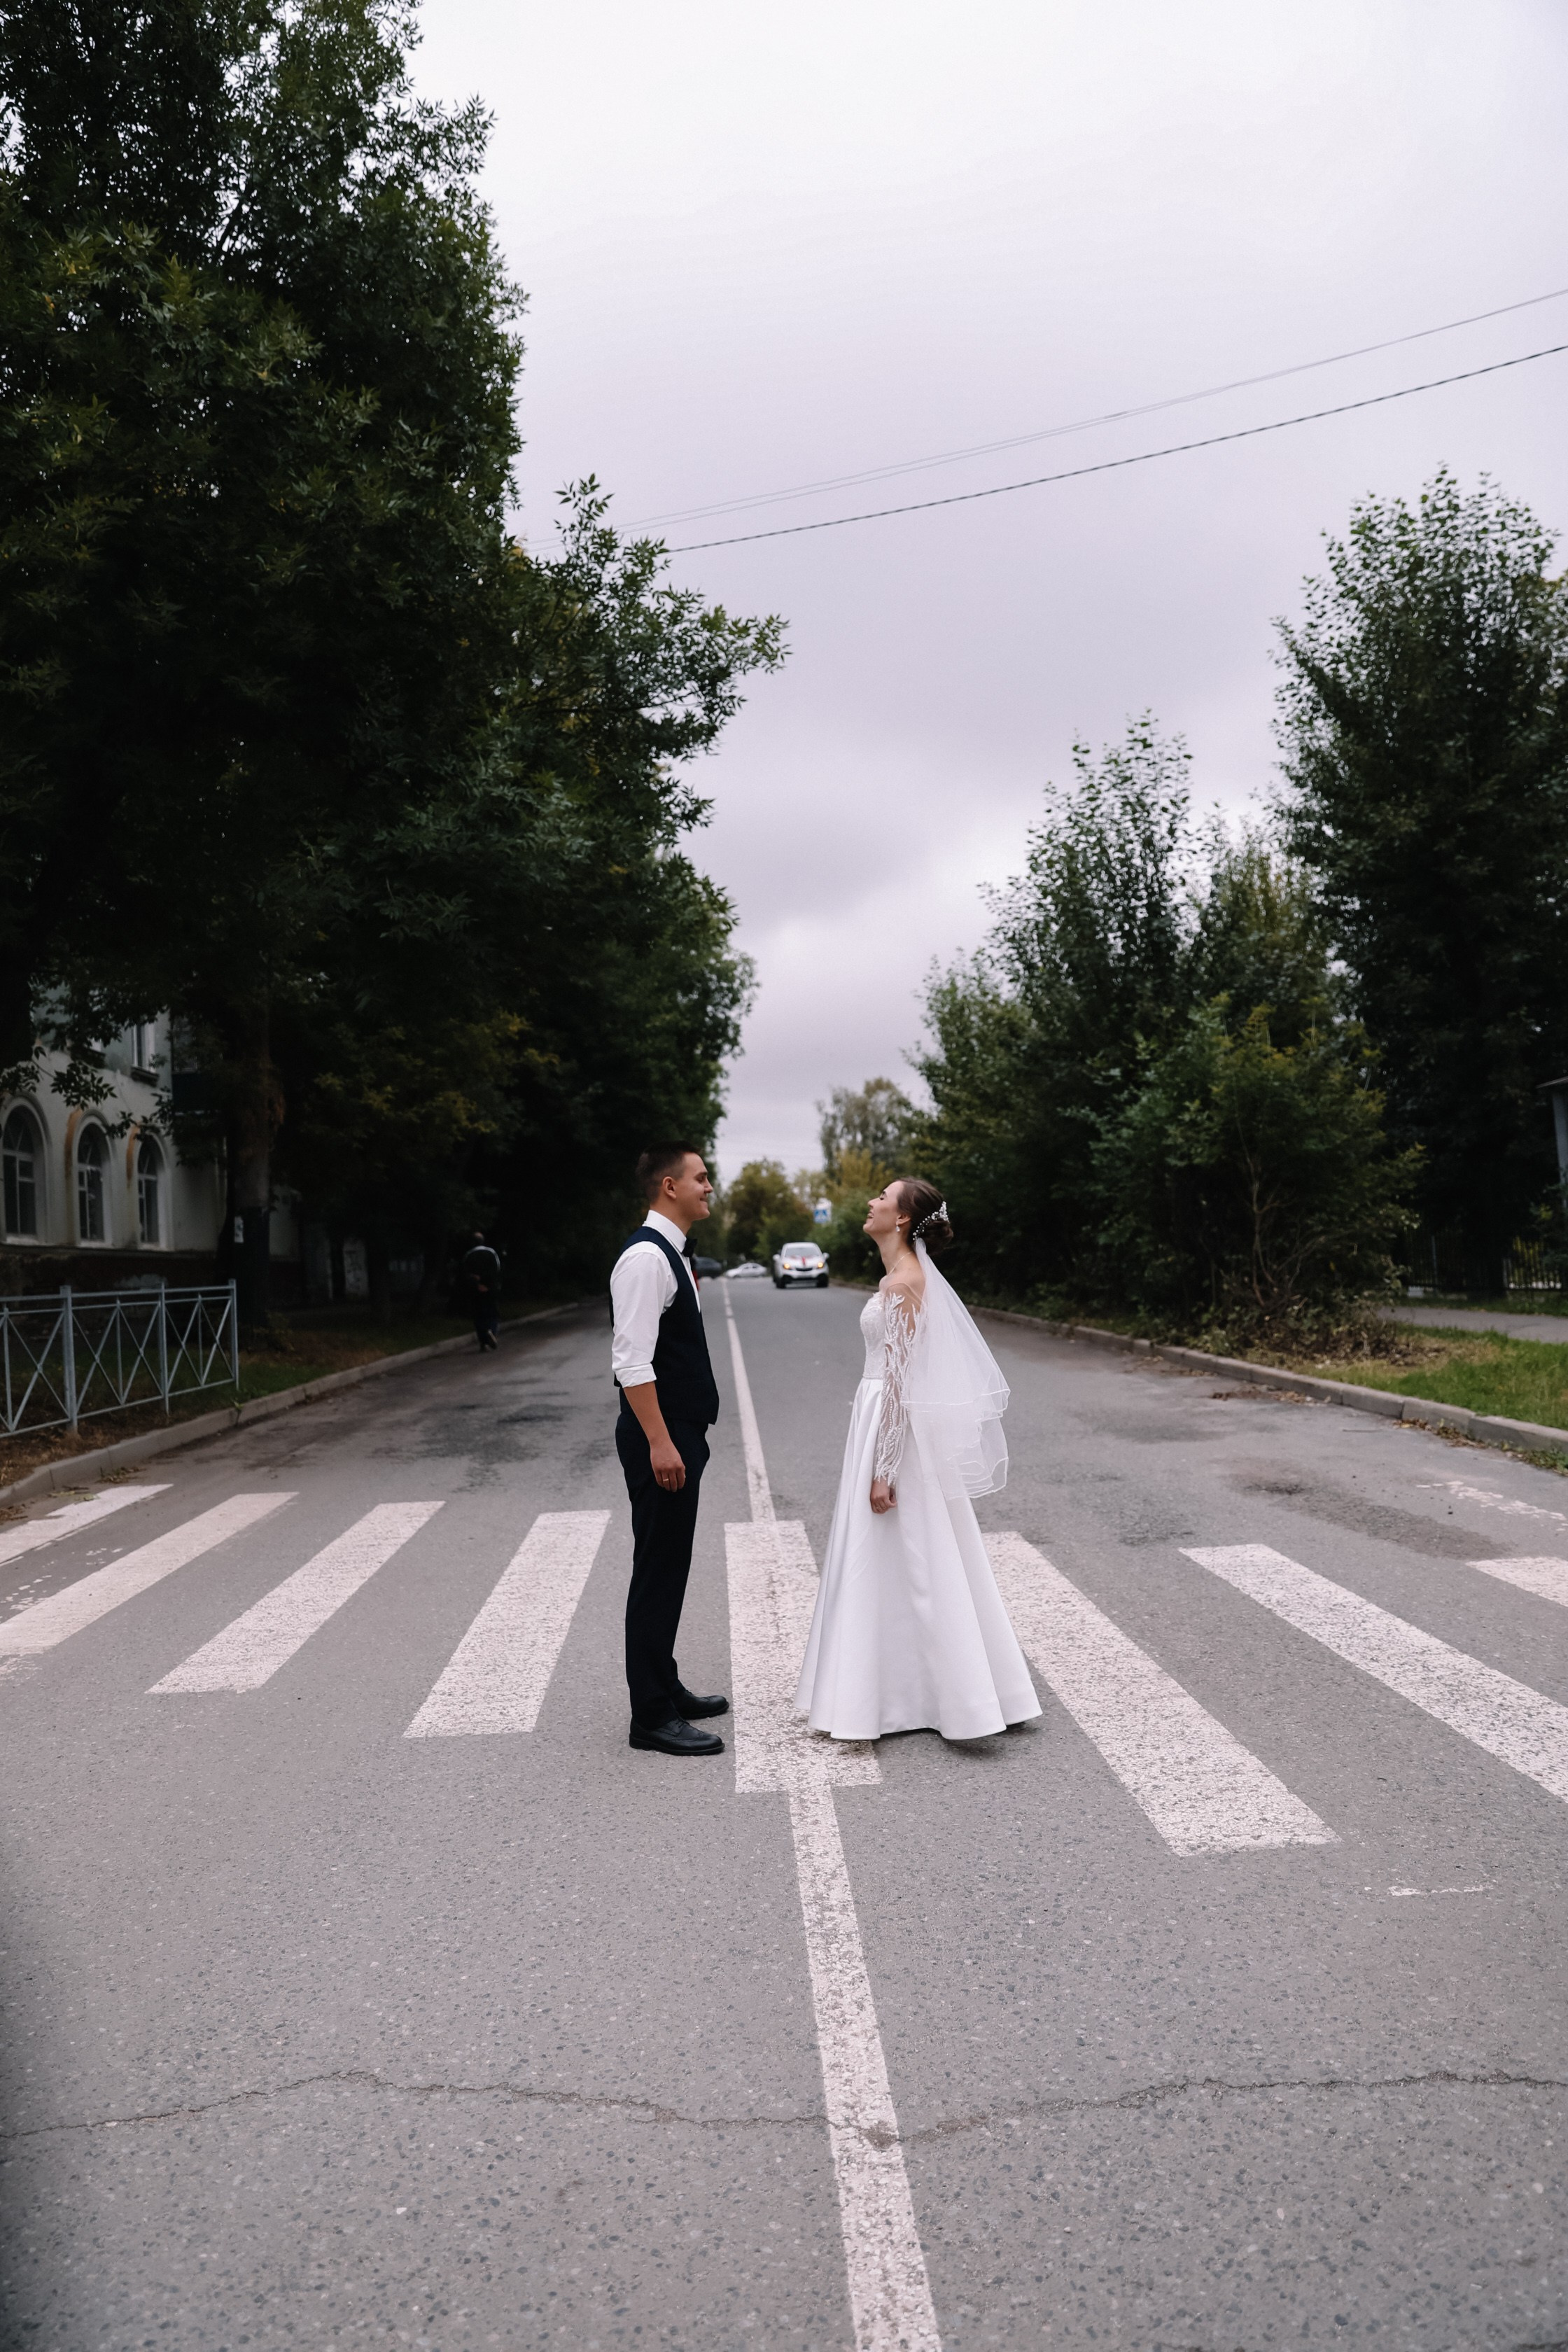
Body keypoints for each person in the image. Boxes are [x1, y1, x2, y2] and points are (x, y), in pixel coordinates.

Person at [795, 1177, 1041, 1742]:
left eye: (884, 1197)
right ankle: (920, 1688)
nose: (872, 1202)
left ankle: (940, 1695)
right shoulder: (898, 1277)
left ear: (903, 1219)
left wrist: (884, 1467)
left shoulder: (906, 1282)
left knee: (915, 1552)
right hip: (881, 1414)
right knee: (915, 1553)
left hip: (893, 1424)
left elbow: (904, 1381)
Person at [610, 1144, 730, 1756]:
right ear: (669, 1185)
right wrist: (660, 1442)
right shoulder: (644, 1259)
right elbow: (631, 1363)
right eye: (701, 1177)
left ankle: (665, 1684)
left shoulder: (672, 1255)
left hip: (680, 1435)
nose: (710, 1186)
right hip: (662, 1438)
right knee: (657, 1570)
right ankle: (650, 1716)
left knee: (670, 1565)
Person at [463, 1231, 503, 1351]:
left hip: (475, 1291)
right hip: (490, 1289)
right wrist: (488, 1285)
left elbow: (466, 1274)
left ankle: (483, 1342)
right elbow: (496, 1270)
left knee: (478, 1315)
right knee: (492, 1313)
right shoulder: (491, 1253)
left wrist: (478, 1284)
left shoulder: (469, 1255)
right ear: (483, 1241)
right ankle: (491, 1331)